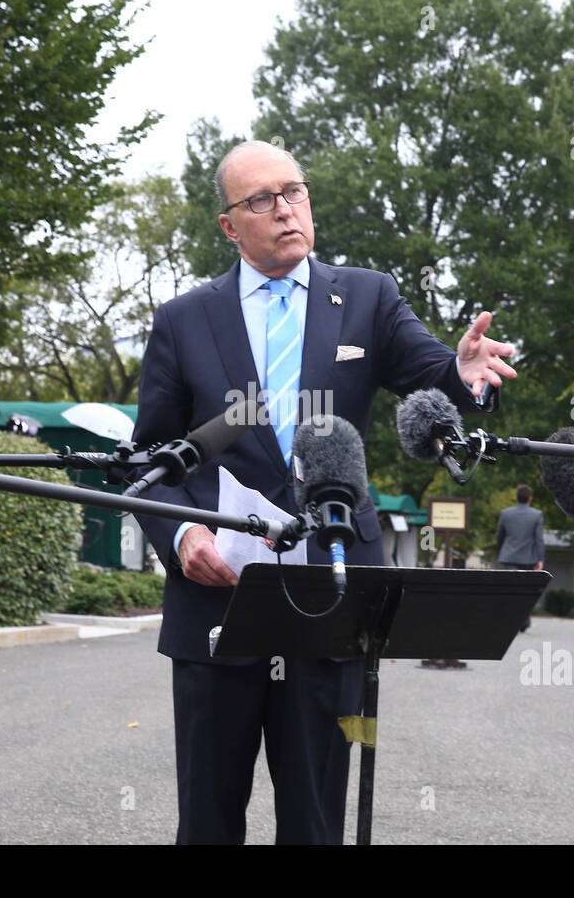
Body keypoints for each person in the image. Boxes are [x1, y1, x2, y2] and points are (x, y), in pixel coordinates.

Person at [129, 140, 517, 844]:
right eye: (261, 200)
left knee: (315, 824)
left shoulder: (368, 296)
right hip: (217, 600)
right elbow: (148, 461)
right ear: (229, 225)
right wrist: (183, 534)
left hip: (334, 595)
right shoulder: (184, 320)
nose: (285, 210)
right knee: (207, 824)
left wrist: (463, 372)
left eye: (294, 192)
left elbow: (435, 373)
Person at [495, 484, 545, 631]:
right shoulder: (537, 515)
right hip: (529, 558)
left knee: (511, 590)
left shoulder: (505, 513)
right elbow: (539, 539)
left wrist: (502, 549)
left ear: (516, 498)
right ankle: (524, 621)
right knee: (525, 590)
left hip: (509, 556)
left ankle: (512, 620)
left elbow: (499, 535)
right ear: (530, 498)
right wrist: (540, 559)